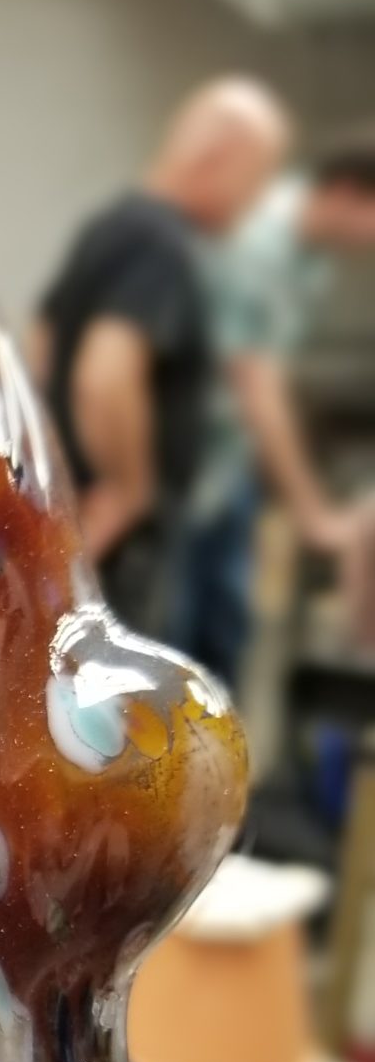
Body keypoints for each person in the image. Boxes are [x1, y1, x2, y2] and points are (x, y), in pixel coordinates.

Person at [32, 78, 291, 635]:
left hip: (73, 514)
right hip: (118, 544)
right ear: (217, 155)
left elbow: (44, 340)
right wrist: (127, 488)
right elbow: (105, 373)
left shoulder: (112, 224)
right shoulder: (161, 244)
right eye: (256, 180)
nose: (252, 204)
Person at [171, 133, 375, 690]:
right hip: (187, 464)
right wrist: (311, 511)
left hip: (228, 464)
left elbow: (273, 375)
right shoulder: (257, 243)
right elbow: (253, 382)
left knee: (225, 629)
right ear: (348, 194)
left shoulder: (315, 264)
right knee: (178, 636)